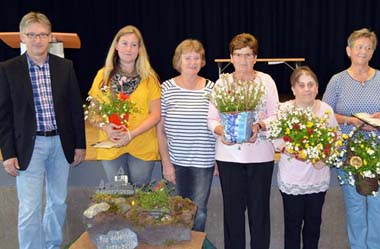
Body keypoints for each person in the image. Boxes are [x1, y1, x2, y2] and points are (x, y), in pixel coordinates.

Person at [0, 12, 86, 249]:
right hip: (29, 147)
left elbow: (74, 108)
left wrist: (80, 144)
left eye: (43, 35)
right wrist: (8, 153)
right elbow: (3, 115)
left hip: (61, 143)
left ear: (50, 37)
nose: (38, 40)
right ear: (22, 37)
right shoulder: (8, 69)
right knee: (30, 207)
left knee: (58, 202)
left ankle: (52, 245)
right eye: (32, 35)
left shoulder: (65, 66)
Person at [322, 28, 380, 249]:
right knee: (355, 206)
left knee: (379, 206)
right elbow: (325, 113)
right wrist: (351, 120)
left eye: (368, 47)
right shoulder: (337, 81)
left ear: (373, 52)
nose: (363, 51)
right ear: (349, 51)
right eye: (359, 47)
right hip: (349, 153)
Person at [208, 33, 279, 249]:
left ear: (256, 57)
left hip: (261, 157)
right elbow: (211, 119)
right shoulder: (222, 83)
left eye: (248, 55)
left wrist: (259, 126)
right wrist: (223, 132)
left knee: (259, 213)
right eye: (238, 55)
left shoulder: (266, 81)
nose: (243, 60)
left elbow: (276, 115)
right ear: (231, 57)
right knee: (233, 213)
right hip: (229, 157)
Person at [88, 25, 161, 187]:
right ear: (116, 46)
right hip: (111, 145)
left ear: (140, 49)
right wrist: (106, 127)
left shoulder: (150, 78)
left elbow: (156, 115)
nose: (129, 49)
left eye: (134, 45)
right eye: (124, 43)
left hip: (142, 145)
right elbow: (93, 113)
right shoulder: (103, 76)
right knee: (118, 195)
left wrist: (131, 134)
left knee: (140, 196)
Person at [156, 39, 216, 232]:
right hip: (175, 161)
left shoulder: (211, 89)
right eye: (187, 58)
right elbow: (160, 129)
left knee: (199, 212)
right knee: (175, 211)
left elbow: (217, 124)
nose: (192, 62)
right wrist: (166, 163)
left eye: (196, 58)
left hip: (204, 161)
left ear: (202, 61)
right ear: (178, 61)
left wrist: (218, 160)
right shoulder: (166, 88)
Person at [275, 66, 337, 249]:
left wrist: (325, 157)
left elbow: (336, 138)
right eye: (301, 85)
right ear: (293, 89)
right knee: (292, 226)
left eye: (311, 84)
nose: (307, 89)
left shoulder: (326, 109)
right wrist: (296, 152)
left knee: (313, 226)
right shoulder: (284, 109)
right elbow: (275, 140)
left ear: (317, 88)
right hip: (292, 178)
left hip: (317, 177)